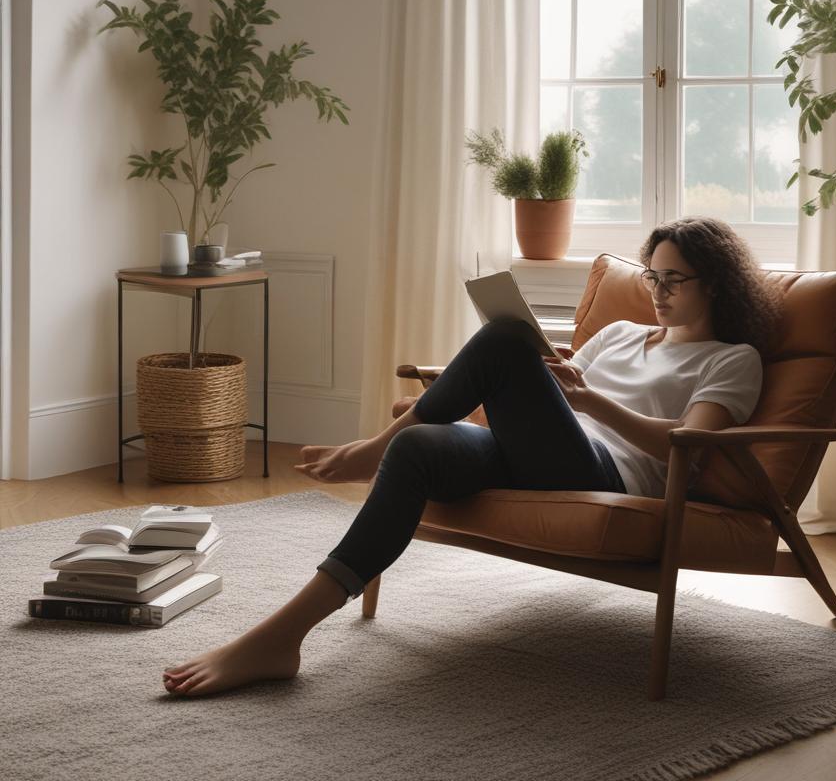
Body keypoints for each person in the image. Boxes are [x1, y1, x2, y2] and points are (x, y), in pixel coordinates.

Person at [162, 216, 783, 697]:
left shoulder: (732, 359)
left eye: (675, 279)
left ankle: (370, 453)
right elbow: (536, 406)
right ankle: (284, 638)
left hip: (608, 473)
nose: (658, 290)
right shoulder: (620, 335)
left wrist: (592, 401)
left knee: (508, 338)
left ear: (717, 283)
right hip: (548, 450)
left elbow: (686, 443)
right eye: (653, 275)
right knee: (421, 442)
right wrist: (446, 409)